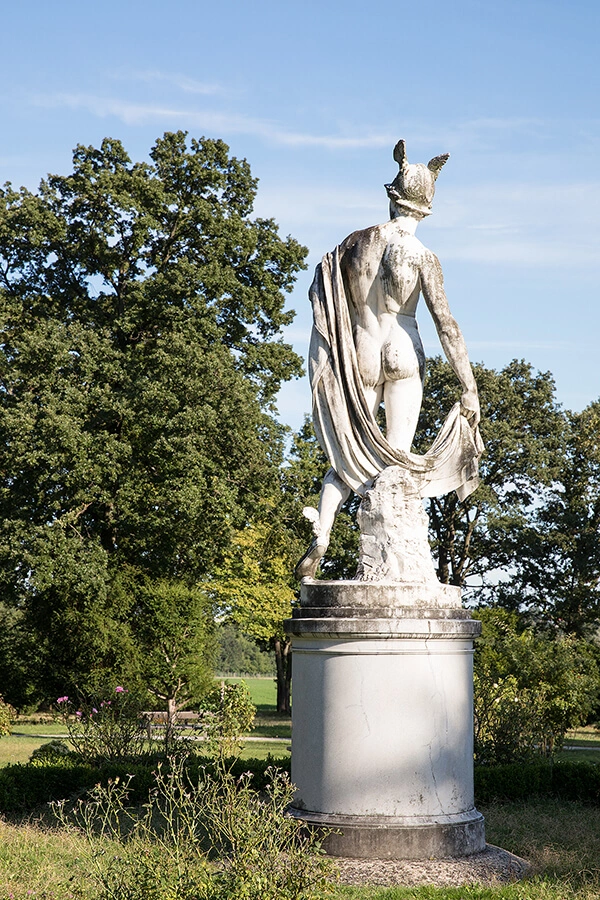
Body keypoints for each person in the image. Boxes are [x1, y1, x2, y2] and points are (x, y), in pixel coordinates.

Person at [296, 139, 482, 580]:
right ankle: (396, 565)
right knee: (396, 460)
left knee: (348, 452)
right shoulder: (422, 256)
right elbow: (446, 325)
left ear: (392, 197)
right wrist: (468, 385)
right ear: (426, 208)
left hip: (361, 351)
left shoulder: (353, 245)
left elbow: (324, 299)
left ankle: (323, 530)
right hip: (403, 349)